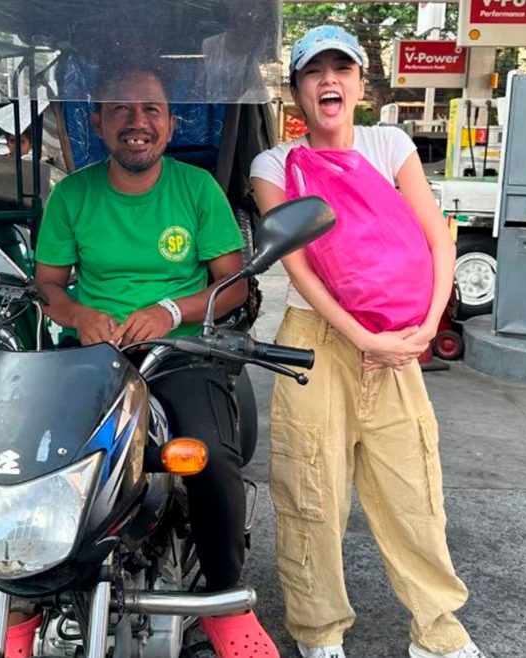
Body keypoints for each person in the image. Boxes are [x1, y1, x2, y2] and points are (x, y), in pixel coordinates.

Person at [249, 26, 486, 658]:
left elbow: (440, 239)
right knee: (310, 492)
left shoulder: (390, 143)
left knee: (413, 487)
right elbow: (297, 264)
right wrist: (358, 337)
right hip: (315, 339)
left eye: (341, 68)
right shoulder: (274, 165)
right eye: (313, 71)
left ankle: (438, 633)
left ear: (358, 83)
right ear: (297, 90)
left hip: (399, 338)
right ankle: (320, 632)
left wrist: (427, 327)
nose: (329, 79)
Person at [35, 68, 278, 657]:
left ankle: (224, 604)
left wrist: (171, 310)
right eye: (120, 110)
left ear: (171, 125)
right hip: (96, 358)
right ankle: (25, 594)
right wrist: (78, 316)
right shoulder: (72, 194)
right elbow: (49, 286)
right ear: (97, 123)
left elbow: (236, 285)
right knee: (40, 455)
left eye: (151, 110)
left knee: (210, 459)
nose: (136, 122)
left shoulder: (196, 189)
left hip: (182, 354)